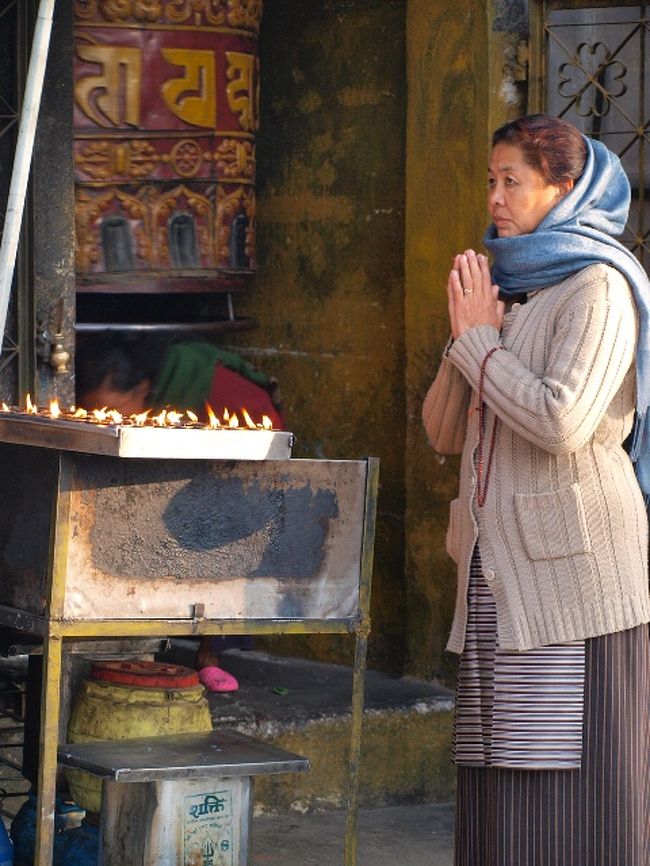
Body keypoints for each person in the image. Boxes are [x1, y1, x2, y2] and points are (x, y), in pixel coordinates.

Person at [422, 114, 650, 866]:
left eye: (511, 180)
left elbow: (562, 420)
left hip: (571, 577)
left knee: (560, 784)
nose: (495, 196)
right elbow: (442, 434)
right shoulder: (505, 290)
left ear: (564, 188)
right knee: (497, 775)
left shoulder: (601, 287)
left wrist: (480, 342)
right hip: (495, 573)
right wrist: (467, 338)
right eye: (491, 180)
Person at [76, 333, 285, 693]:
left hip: (238, 479)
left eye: (114, 411)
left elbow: (268, 446)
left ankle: (210, 653)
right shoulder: (151, 391)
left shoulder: (212, 387)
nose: (106, 420)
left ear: (142, 390)